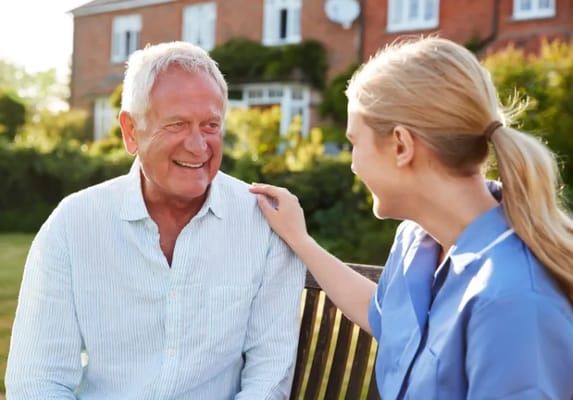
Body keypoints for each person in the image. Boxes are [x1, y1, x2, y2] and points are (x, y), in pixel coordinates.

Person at [250, 36, 573, 399]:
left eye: (355, 143)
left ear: (401, 145)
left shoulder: (512, 302)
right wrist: (300, 241)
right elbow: (384, 318)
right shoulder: (415, 242)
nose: (353, 164)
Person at [6, 41, 305, 399]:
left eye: (211, 125)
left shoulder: (263, 224)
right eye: (177, 124)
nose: (198, 145)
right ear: (131, 131)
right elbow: (38, 380)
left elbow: (269, 378)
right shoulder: (74, 225)